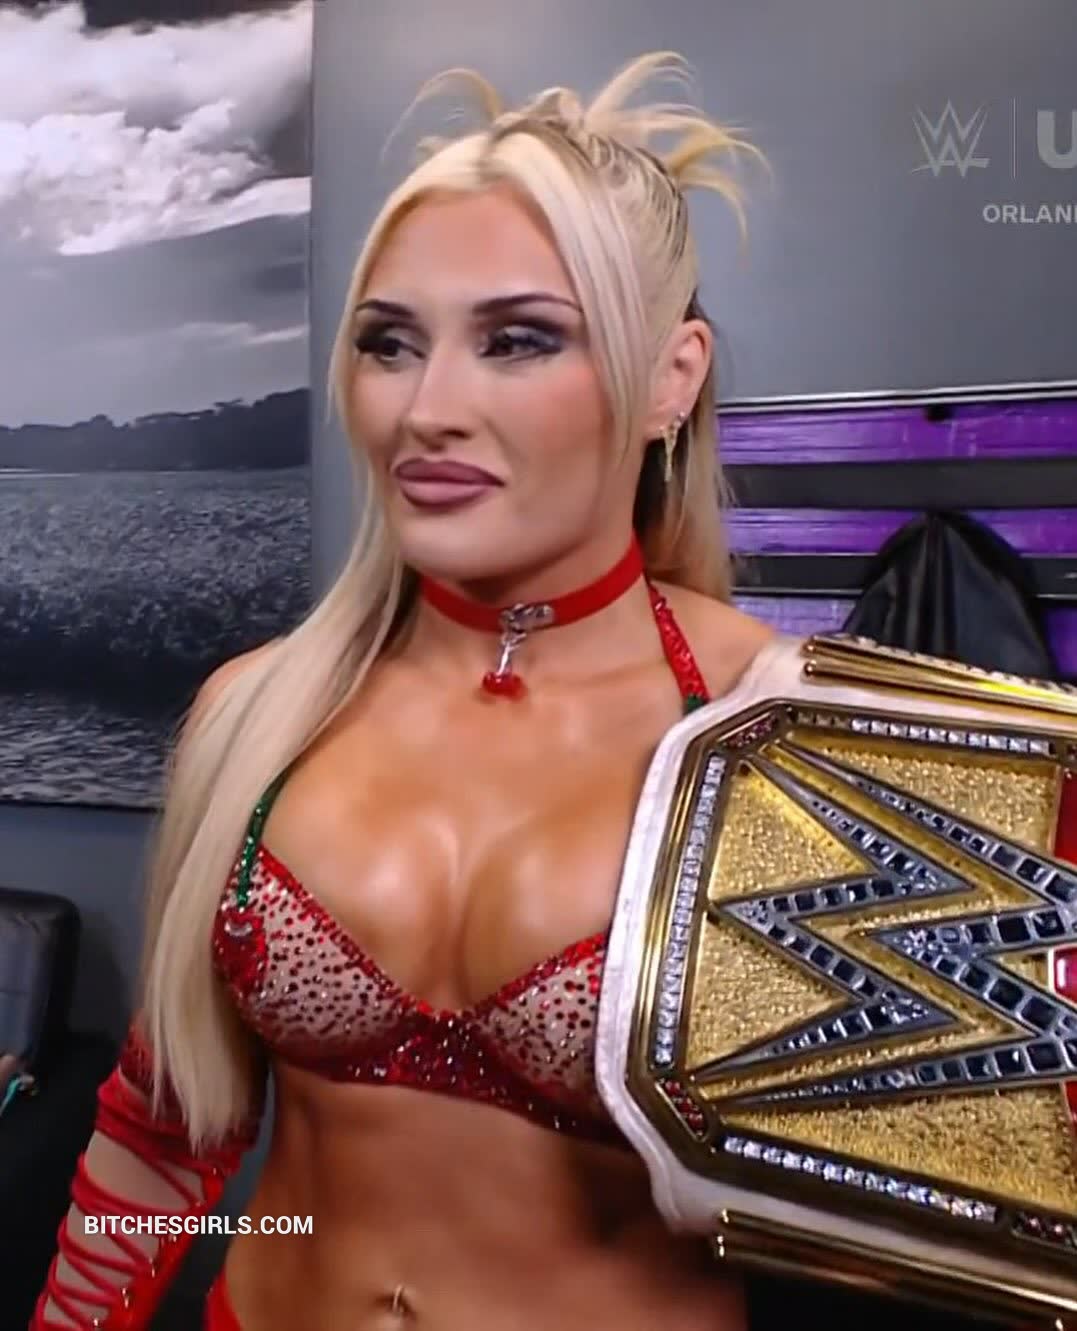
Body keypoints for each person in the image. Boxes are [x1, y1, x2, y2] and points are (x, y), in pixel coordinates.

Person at [33, 50, 785, 1330]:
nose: (427, 408)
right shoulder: (257, 715)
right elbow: (162, 1133)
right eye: (391, 342)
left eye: (518, 339)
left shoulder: (774, 732)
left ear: (673, 374)